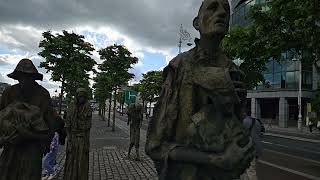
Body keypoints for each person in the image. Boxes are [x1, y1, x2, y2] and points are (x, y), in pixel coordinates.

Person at [145, 0, 253, 179]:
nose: (222, 13)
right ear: (197, 23)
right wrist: (216, 159)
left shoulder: (234, 71)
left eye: (226, 10)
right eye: (212, 8)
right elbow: (155, 145)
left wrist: (238, 104)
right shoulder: (180, 66)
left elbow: (237, 129)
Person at [0, 58, 60, 180]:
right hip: (11, 147)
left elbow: (50, 127)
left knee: (29, 174)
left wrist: (29, 135)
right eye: (21, 77)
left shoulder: (43, 94)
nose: (24, 81)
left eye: (28, 77)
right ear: (17, 77)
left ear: (33, 77)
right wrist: (4, 138)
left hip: (32, 148)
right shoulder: (9, 93)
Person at [63, 88, 92, 180]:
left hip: (83, 139)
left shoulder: (87, 108)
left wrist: (87, 143)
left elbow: (88, 129)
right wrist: (70, 141)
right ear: (77, 97)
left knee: (81, 162)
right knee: (71, 161)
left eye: (83, 97)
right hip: (73, 138)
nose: (82, 99)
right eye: (80, 97)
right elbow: (67, 126)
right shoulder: (71, 107)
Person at [241, 109, 263, 180]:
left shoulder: (244, 122)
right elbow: (260, 134)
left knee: (250, 171)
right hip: (258, 149)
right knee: (246, 170)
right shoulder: (256, 121)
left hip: (249, 150)